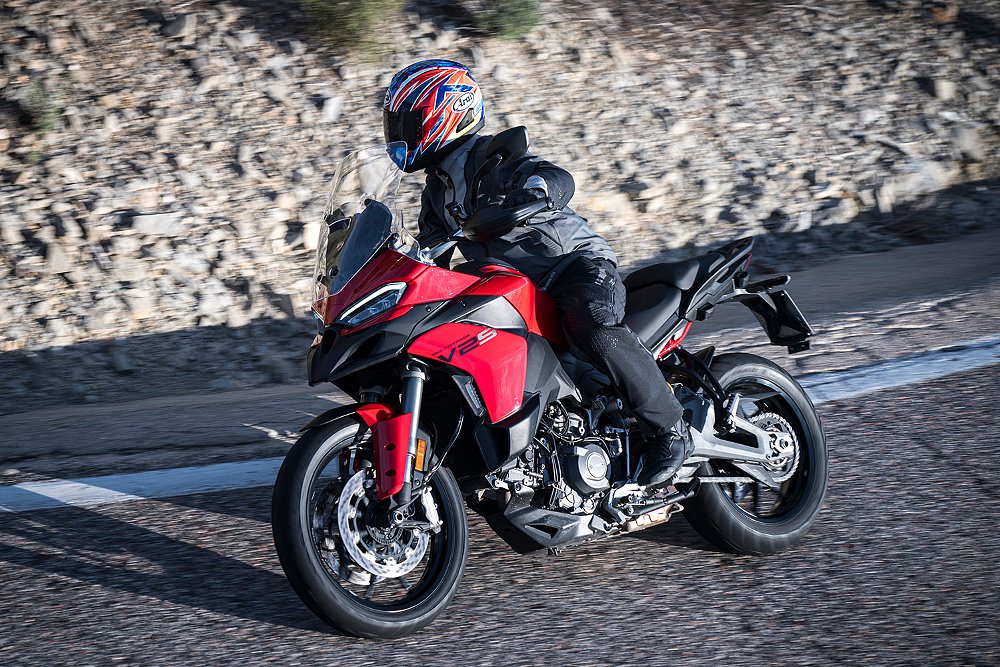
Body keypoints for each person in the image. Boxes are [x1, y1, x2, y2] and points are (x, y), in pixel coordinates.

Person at [382, 59, 692, 486]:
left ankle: (670, 430)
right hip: (512, 289)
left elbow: (553, 177)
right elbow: (427, 258)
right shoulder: (437, 193)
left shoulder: (496, 156)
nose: (398, 134)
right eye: (394, 123)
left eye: (408, 122)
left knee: (594, 329)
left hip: (573, 266)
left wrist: (535, 193)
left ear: (446, 112)